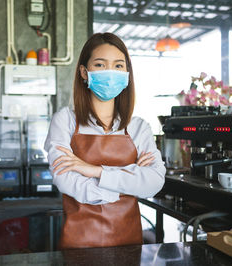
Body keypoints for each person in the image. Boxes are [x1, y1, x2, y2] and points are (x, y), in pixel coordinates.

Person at [44, 32, 166, 249]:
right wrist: (130, 181)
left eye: (118, 66)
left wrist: (95, 171)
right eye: (100, 64)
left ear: (127, 74)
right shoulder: (65, 120)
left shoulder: (138, 127)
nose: (110, 73)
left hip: (129, 243)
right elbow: (65, 179)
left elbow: (154, 183)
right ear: (84, 72)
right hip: (79, 244)